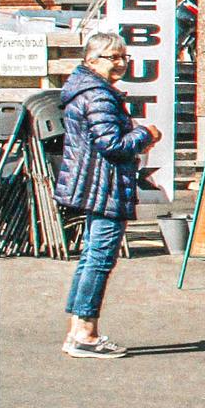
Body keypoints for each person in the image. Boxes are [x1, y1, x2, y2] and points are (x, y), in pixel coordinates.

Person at [52, 33, 160, 358]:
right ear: (91, 60)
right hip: (106, 184)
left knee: (91, 258)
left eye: (123, 56)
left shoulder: (85, 89)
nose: (120, 62)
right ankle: (85, 333)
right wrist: (145, 134)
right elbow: (111, 144)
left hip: (93, 182)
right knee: (99, 259)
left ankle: (77, 331)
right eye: (112, 57)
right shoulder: (99, 95)